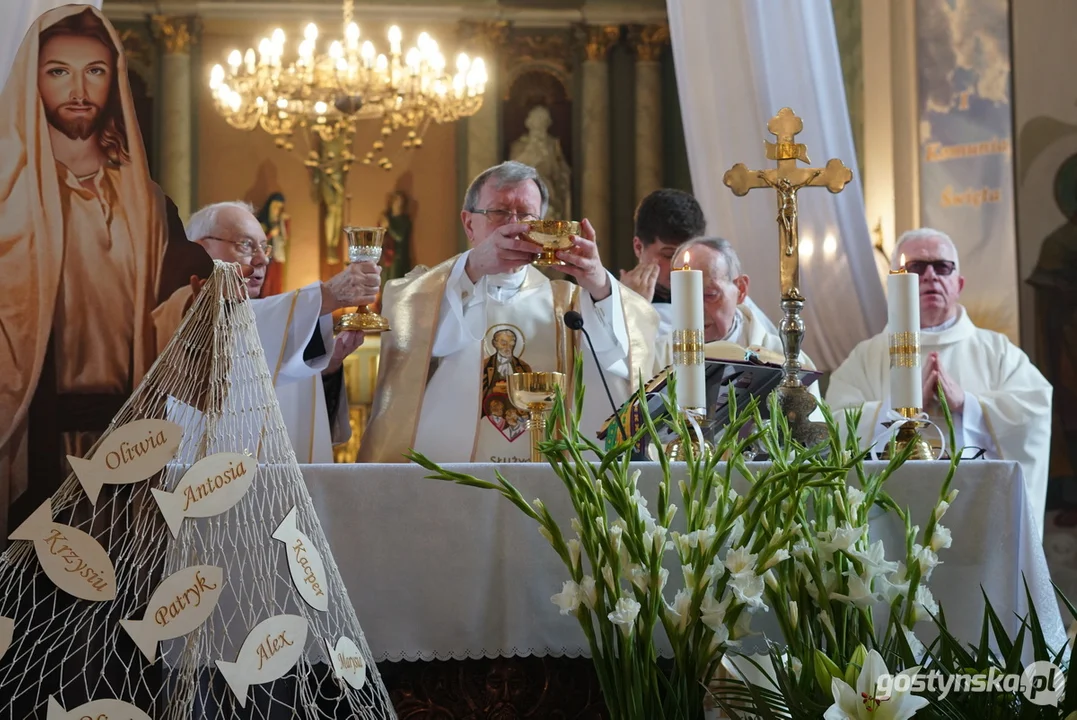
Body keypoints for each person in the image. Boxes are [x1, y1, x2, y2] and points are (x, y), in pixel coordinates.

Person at [0, 6, 212, 538]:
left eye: (93, 70)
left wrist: (199, 301)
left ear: (114, 77)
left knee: (122, 609)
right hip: (30, 436)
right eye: (58, 71)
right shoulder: (6, 200)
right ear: (33, 78)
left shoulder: (151, 207)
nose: (78, 88)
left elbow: (182, 307)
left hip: (129, 447)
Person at [358, 161, 660, 463]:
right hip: (449, 475)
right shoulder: (437, 290)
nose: (515, 225)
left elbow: (628, 352)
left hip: (547, 482)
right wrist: (473, 266)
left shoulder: (568, 304)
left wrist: (599, 283)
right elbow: (410, 332)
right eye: (499, 212)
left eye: (527, 215)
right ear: (468, 223)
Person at [827, 228, 1053, 537]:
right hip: (890, 518)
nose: (930, 275)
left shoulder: (997, 351)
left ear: (958, 283)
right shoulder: (867, 356)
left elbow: (1035, 411)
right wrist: (899, 411)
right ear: (895, 284)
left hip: (977, 520)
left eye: (942, 267)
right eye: (916, 268)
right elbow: (832, 425)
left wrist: (968, 405)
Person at [173, 201, 377, 462]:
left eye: (263, 247)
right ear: (201, 250)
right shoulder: (179, 307)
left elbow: (292, 412)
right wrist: (328, 295)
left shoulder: (269, 318)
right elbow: (228, 330)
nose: (262, 259)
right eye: (245, 245)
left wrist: (328, 367)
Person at [621, 189, 778, 337]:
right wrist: (630, 308)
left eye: (689, 256)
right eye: (669, 255)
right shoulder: (615, 303)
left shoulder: (727, 296)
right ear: (639, 247)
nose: (680, 268)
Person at [255, 191, 289, 296]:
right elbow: (257, 242)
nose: (276, 210)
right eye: (275, 207)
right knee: (265, 285)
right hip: (264, 259)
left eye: (279, 208)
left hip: (276, 257)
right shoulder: (262, 222)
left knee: (276, 285)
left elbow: (284, 239)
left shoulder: (280, 222)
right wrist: (270, 234)